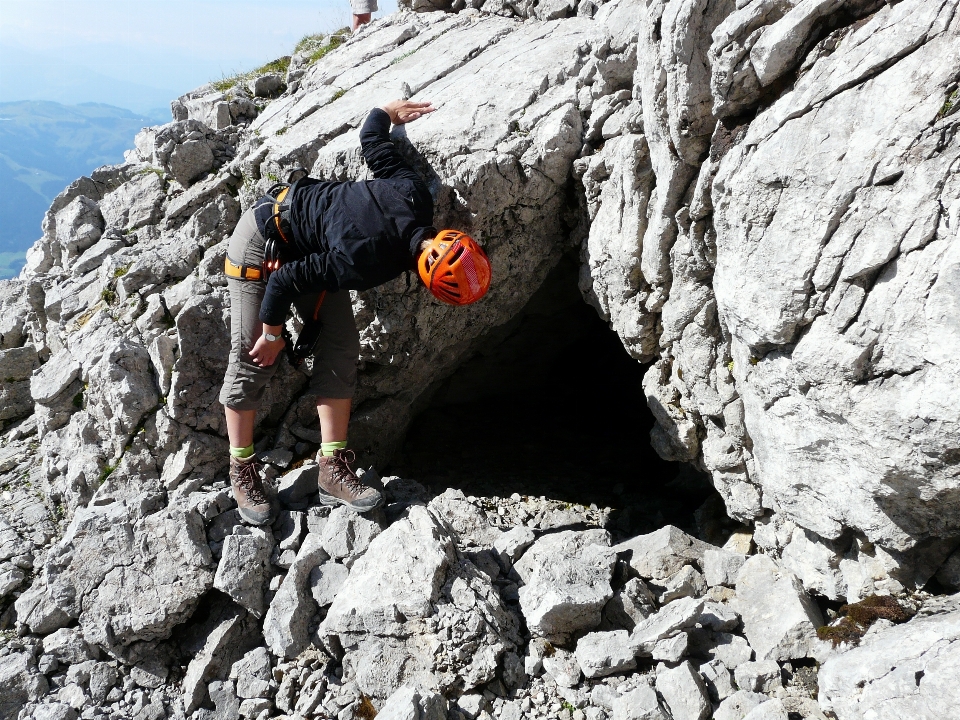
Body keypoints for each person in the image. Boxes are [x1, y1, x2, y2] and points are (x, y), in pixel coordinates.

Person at [219, 99, 491, 526]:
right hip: (260, 238)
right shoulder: (363, 261)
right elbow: (284, 280)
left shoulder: (415, 195)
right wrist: (273, 336)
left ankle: (332, 468)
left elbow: (372, 140)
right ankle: (241, 469)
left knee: (341, 347)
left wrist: (386, 112)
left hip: (308, 248)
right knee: (252, 355)